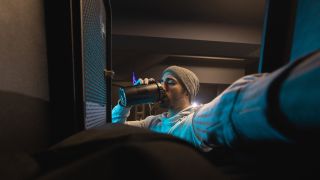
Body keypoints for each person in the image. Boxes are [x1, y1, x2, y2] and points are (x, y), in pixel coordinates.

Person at [112, 51, 320, 152]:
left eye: (170, 82)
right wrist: (126, 102)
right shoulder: (154, 122)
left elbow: (224, 111)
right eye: (161, 82)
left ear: (187, 91)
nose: (162, 87)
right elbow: (114, 128)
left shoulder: (192, 121)